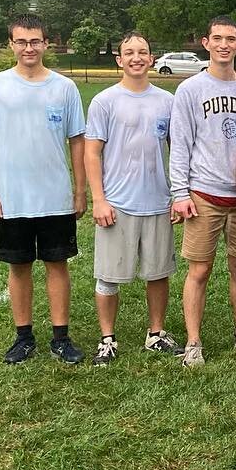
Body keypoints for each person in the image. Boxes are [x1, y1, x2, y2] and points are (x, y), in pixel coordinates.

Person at [0, 13, 87, 364]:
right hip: (12, 198)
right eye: (21, 41)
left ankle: (60, 337)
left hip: (54, 196)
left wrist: (79, 191)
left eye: (35, 41)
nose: (28, 48)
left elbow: (77, 142)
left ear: (46, 44)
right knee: (19, 266)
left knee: (57, 264)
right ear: (11, 44)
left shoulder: (64, 87)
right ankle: (23, 337)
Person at [83, 31, 182, 365]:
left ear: (151, 58)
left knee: (158, 271)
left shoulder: (167, 102)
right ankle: (107, 339)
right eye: (129, 52)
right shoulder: (105, 101)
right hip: (117, 203)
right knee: (109, 275)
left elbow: (177, 150)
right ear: (119, 60)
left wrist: (177, 194)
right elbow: (92, 152)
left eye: (143, 51)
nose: (136, 57)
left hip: (157, 200)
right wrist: (99, 198)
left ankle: (156, 333)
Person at [168, 16, 236, 366]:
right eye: (217, 38)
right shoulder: (191, 89)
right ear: (205, 43)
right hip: (203, 194)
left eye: (231, 39)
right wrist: (180, 193)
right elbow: (180, 145)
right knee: (200, 269)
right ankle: (193, 341)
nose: (224, 44)